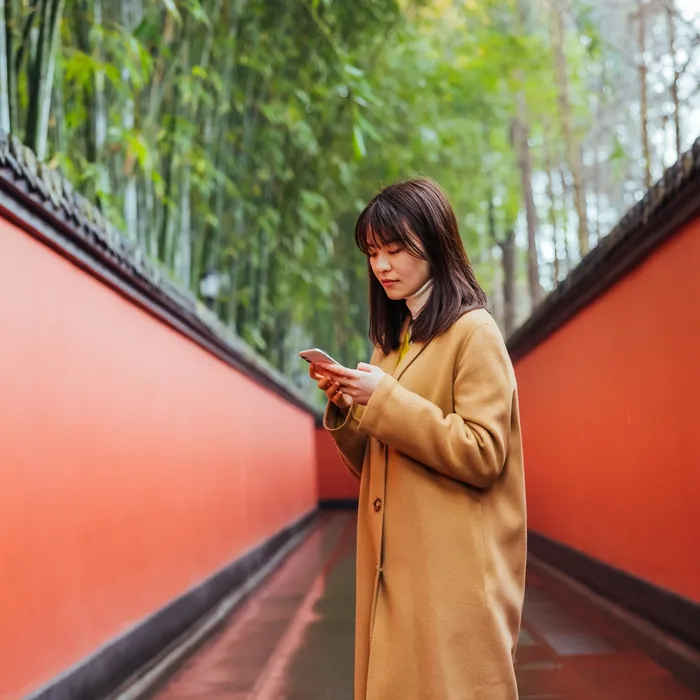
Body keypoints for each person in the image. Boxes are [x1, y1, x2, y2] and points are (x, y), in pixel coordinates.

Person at [309, 178, 527, 700]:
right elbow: (379, 468)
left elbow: (483, 453)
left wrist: (383, 399)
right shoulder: (395, 343)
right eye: (372, 253)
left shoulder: (474, 332)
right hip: (396, 570)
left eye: (394, 250)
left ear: (435, 244)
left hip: (450, 577)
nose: (381, 265)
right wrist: (348, 404)